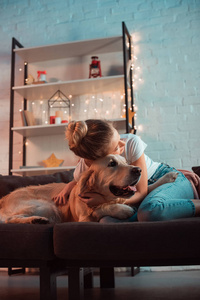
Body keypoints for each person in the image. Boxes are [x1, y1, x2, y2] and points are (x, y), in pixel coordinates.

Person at [53, 119, 200, 222]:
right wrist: (69, 186)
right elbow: (79, 185)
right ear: (99, 158)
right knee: (107, 222)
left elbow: (141, 192)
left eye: (118, 136)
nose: (123, 142)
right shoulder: (84, 171)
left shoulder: (131, 142)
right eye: (116, 146)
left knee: (149, 211)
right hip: (130, 194)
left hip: (164, 179)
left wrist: (103, 201)